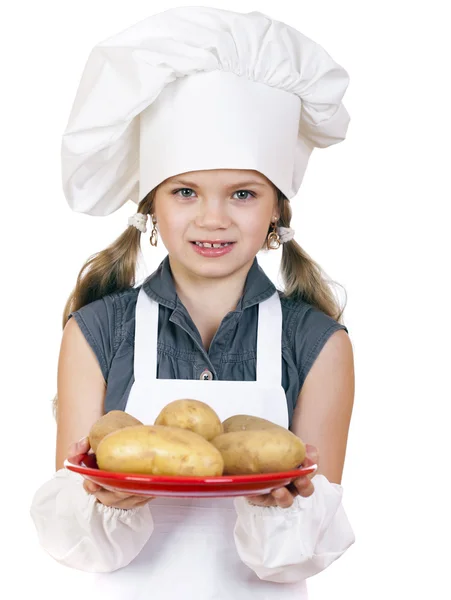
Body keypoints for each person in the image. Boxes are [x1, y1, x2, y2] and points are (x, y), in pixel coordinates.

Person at [30, 6, 356, 599]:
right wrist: (105, 502)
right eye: (185, 191)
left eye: (242, 193)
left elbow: (307, 549)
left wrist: (281, 507)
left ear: (277, 208)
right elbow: (71, 539)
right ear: (152, 205)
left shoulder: (318, 344)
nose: (213, 217)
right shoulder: (97, 331)